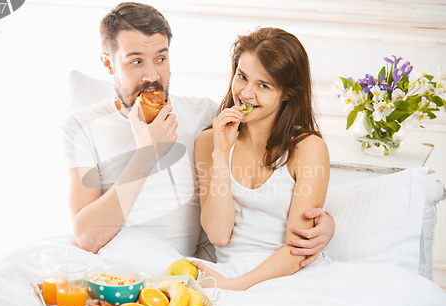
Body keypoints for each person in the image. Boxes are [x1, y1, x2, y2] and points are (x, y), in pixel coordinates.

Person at [62, 2, 334, 265]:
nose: (151, 75)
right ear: (109, 64)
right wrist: (147, 154)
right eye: (135, 61)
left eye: (160, 58)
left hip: (180, 272)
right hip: (113, 266)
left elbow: (266, 150)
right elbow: (87, 237)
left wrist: (327, 224)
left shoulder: (204, 116)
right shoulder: (81, 127)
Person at [193, 27, 331, 290]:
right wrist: (221, 154)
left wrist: (235, 286)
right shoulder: (209, 141)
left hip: (290, 276)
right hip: (229, 271)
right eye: (242, 77)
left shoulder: (308, 148)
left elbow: (298, 249)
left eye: (263, 85)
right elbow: (219, 235)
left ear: (288, 93)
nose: (245, 93)